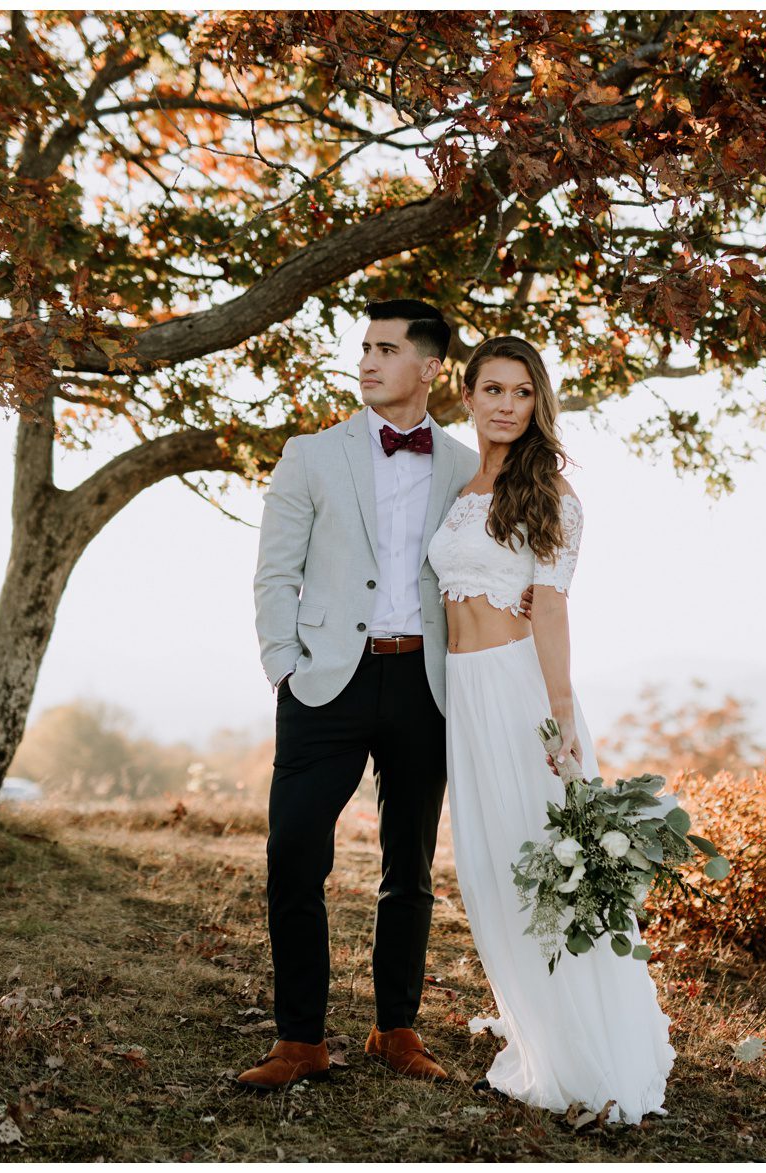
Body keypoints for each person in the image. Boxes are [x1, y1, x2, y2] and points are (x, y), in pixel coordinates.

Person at [425, 334, 676, 1124]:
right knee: (494, 868)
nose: (505, 405)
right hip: (464, 696)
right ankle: (539, 1031)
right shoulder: (457, 486)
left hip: (519, 692)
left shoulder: (552, 495)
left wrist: (561, 714)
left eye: (521, 392)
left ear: (539, 402)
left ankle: (591, 1056)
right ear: (466, 396)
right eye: (492, 389)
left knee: (549, 867)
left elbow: (553, 605)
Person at [242, 298, 483, 1091]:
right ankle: (299, 1038)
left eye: (387, 348)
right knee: (293, 855)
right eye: (365, 348)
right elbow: (276, 568)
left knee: (407, 866)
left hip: (426, 683)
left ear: (431, 367)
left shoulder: (464, 464)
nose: (368, 361)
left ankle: (396, 1026)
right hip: (324, 682)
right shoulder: (311, 454)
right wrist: (284, 663)